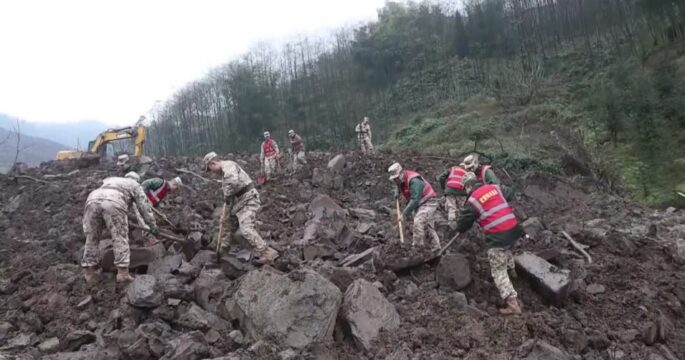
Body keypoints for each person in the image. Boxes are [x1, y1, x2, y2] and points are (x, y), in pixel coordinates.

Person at [456, 172, 523, 315]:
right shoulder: (495, 187)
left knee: (498, 269)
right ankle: (513, 272)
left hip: (498, 235)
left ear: (467, 187)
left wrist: (457, 227)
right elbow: (510, 193)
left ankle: (512, 304)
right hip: (514, 228)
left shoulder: (472, 201)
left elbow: (462, 225)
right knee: (507, 249)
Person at [203, 152, 279, 262]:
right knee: (227, 224)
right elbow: (228, 197)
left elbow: (233, 182)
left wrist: (228, 196)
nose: (212, 173)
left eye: (210, 169)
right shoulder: (223, 174)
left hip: (249, 199)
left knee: (246, 229)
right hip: (240, 203)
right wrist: (225, 214)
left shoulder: (228, 166)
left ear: (213, 163)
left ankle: (267, 253)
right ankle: (223, 253)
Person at [82, 175, 158, 283]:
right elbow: (144, 207)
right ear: (137, 180)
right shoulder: (136, 185)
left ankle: (89, 272)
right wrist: (153, 226)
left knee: (92, 237)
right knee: (119, 236)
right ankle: (122, 273)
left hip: (92, 199)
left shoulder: (113, 180)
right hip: (113, 200)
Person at [388, 163, 440, 250]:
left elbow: (415, 199)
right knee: (427, 225)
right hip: (420, 204)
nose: (396, 181)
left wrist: (404, 214)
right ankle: (436, 247)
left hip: (428, 202)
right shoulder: (401, 180)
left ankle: (417, 249)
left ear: (401, 173)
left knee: (418, 222)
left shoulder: (414, 180)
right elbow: (398, 185)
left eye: (396, 178)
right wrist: (397, 191)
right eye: (394, 179)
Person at [437, 164, 469, 229]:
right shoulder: (467, 172)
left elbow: (441, 177)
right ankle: (461, 225)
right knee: (461, 209)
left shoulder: (452, 169)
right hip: (462, 192)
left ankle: (452, 225)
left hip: (450, 190)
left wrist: (443, 190)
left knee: (451, 207)